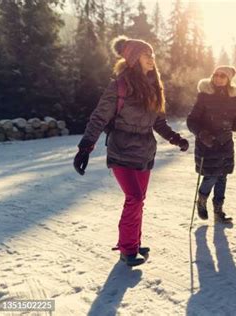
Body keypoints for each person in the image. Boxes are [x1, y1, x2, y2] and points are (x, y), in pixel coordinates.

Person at [73, 36, 189, 267]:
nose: (152, 59)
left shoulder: (154, 87)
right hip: (121, 151)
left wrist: (176, 139)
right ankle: (127, 251)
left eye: (152, 55)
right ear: (135, 58)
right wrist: (85, 147)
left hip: (145, 152)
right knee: (134, 197)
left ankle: (133, 244)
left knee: (139, 200)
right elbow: (99, 117)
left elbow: (159, 123)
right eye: (147, 55)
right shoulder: (119, 86)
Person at [187, 66, 236, 223]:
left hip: (225, 143)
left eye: (222, 76)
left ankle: (218, 212)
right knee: (211, 176)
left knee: (222, 177)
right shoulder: (204, 96)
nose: (218, 78)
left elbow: (234, 124)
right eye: (215, 74)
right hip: (208, 143)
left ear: (229, 79)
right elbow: (191, 121)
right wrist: (203, 135)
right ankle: (201, 201)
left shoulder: (233, 99)